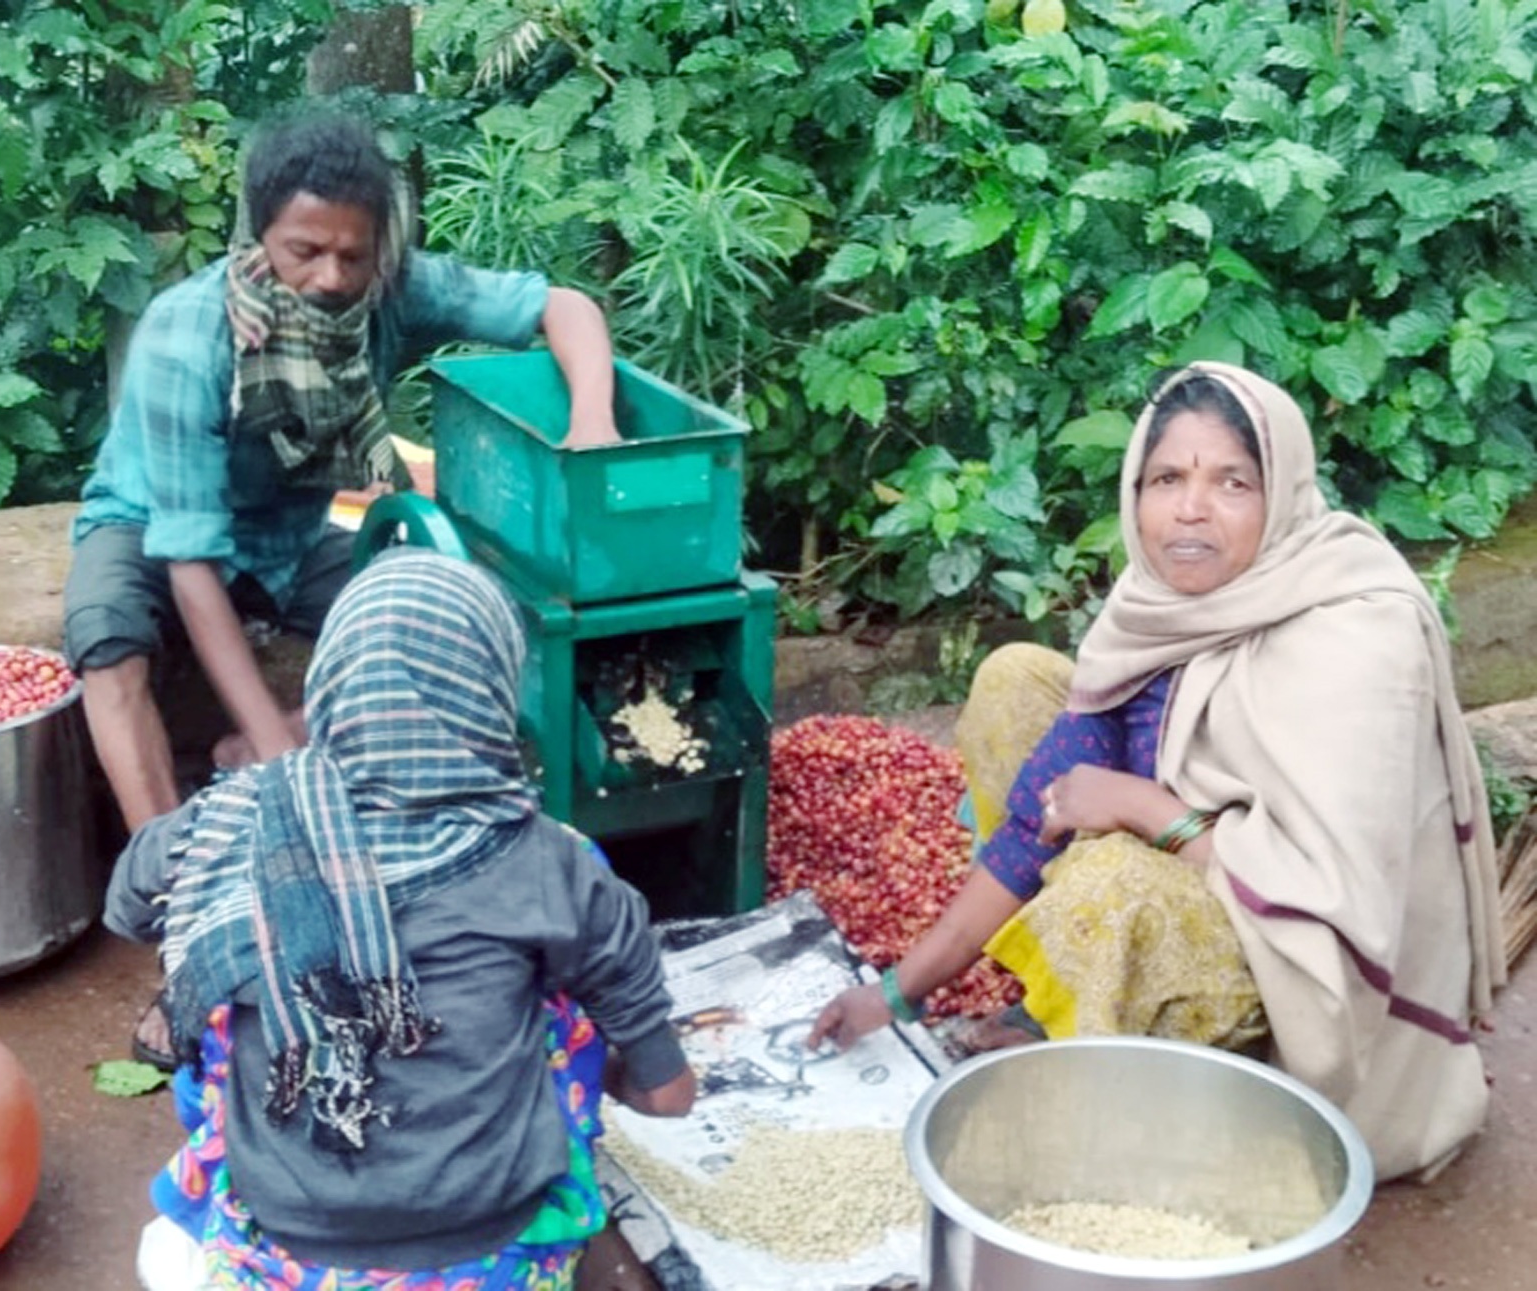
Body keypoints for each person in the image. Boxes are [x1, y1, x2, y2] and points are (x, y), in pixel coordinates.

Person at [809, 361, 1507, 1181]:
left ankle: (1134, 1143)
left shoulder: (1356, 637)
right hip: (1198, 882)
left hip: (1307, 983)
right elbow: (1037, 821)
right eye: (1166, 477)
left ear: (1279, 492)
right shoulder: (1158, 612)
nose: (1190, 509)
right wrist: (895, 994)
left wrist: (1147, 806)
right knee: (1016, 684)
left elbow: (1331, 903)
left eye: (1231, 482)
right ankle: (1071, 1009)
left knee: (1107, 890)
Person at [106, 550, 695, 1290]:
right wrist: (587, 1069)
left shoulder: (235, 820)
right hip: (500, 1265)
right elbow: (670, 1095)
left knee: (227, 983)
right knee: (559, 994)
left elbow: (129, 904)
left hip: (277, 1261)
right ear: (491, 693)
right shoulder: (555, 863)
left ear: (332, 686)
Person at [64, 109, 619, 836]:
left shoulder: (394, 288)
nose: (331, 276)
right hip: (148, 525)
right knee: (107, 641)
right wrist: (270, 748)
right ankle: (169, 871)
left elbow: (564, 308)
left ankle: (294, 736)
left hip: (288, 541)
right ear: (258, 236)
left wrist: (593, 425)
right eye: (306, 250)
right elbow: (191, 563)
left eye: (352, 255)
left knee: (457, 620)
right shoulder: (186, 336)